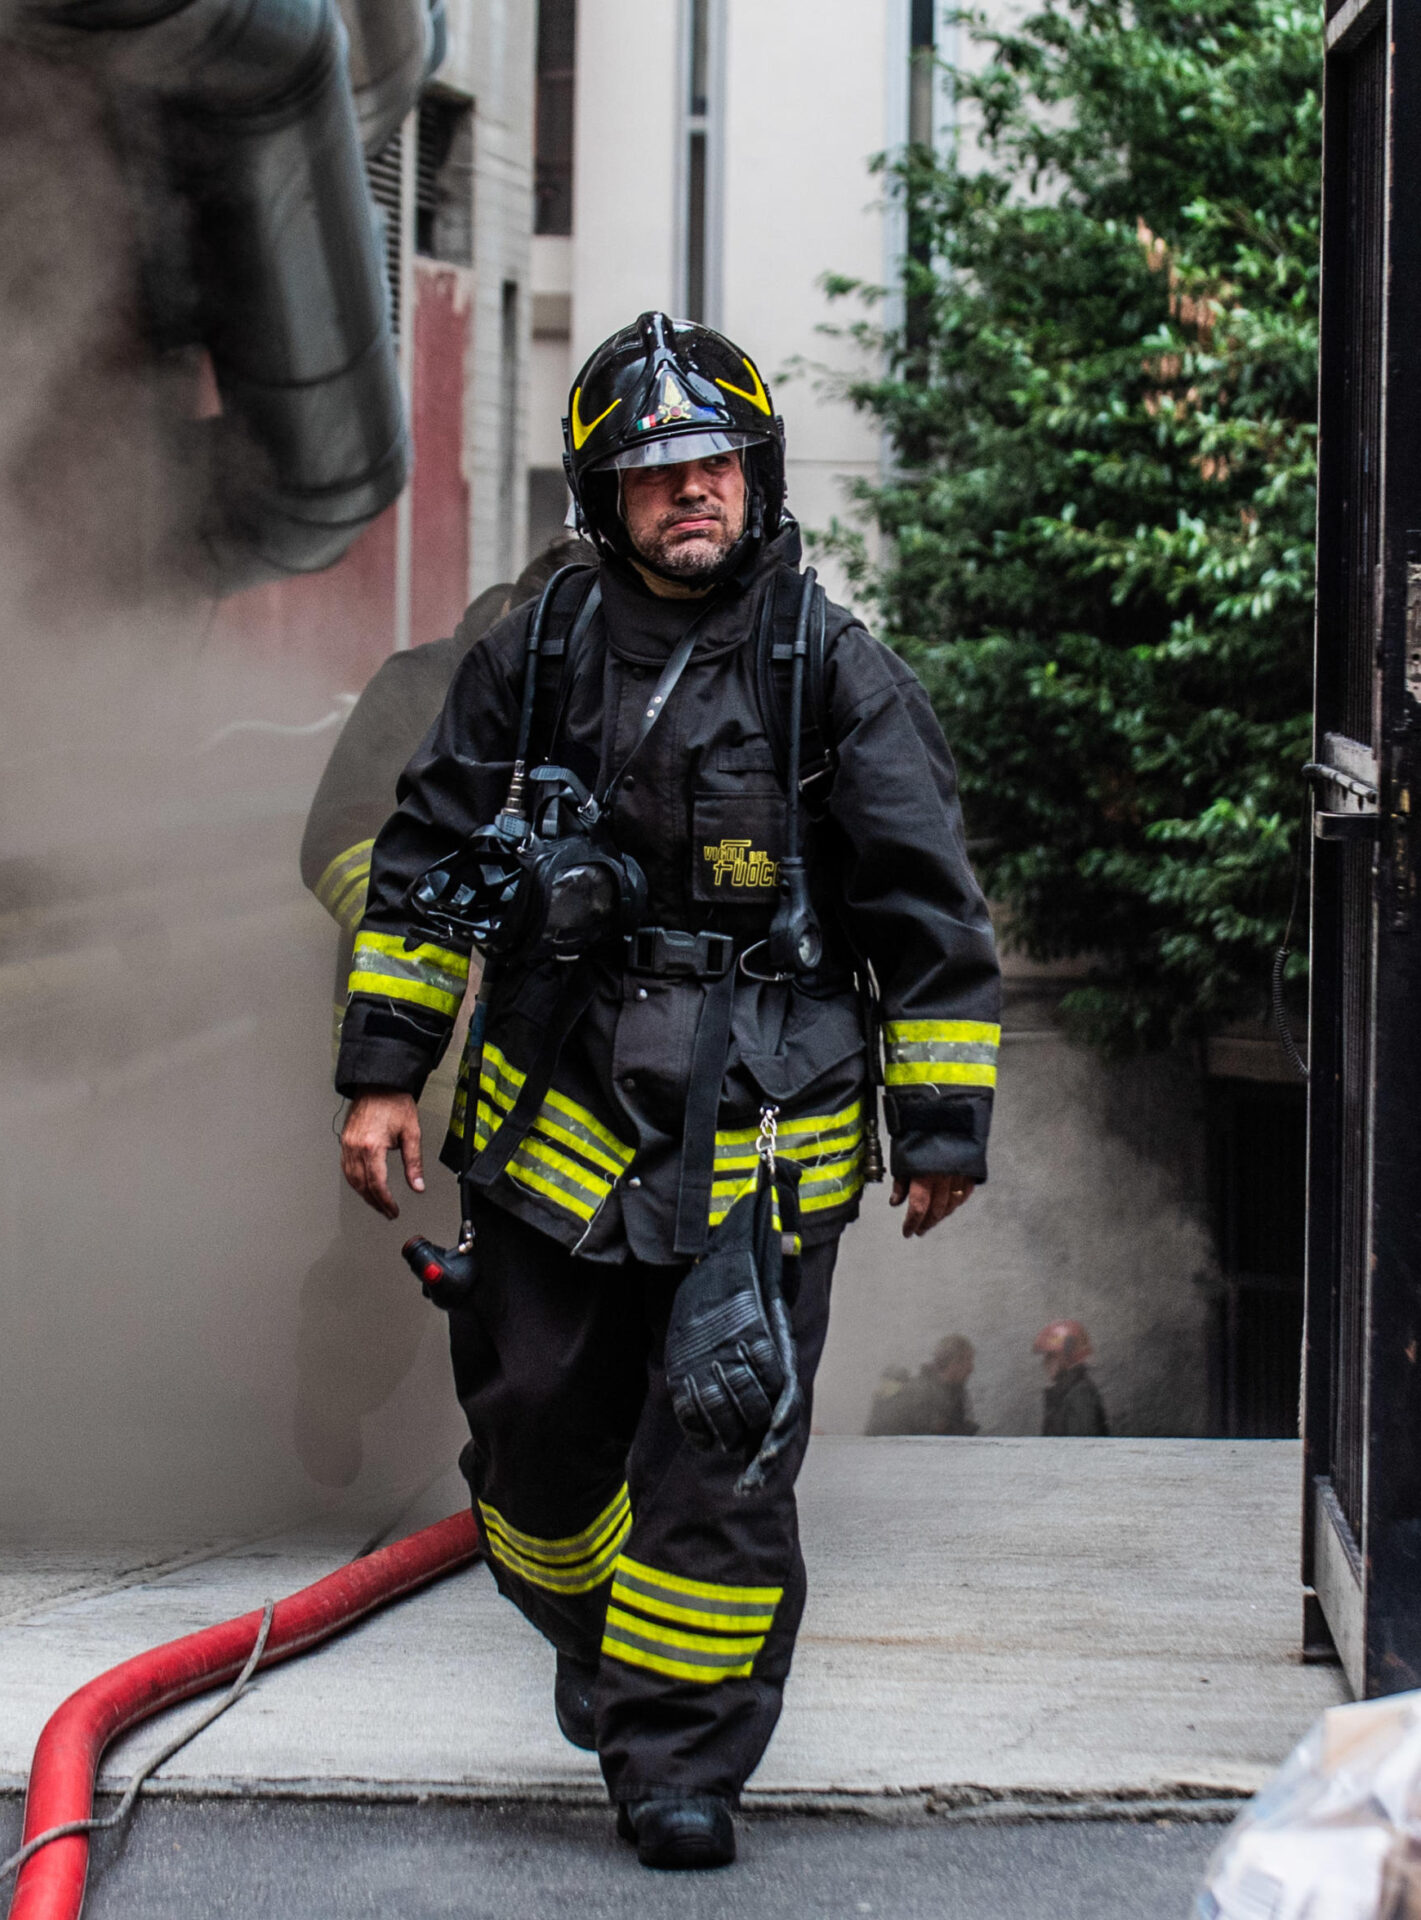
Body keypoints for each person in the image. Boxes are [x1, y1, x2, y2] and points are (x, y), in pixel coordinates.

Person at [329, 312, 1001, 1870]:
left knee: (721, 1449)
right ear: (601, 497)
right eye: (653, 474)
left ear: (754, 481)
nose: (688, 492)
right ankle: (594, 1636)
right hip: (554, 1116)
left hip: (764, 1134)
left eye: (712, 466)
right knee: (538, 1443)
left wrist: (942, 1124)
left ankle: (679, 1764)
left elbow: (929, 912)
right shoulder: (537, 649)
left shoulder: (832, 669)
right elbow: (426, 867)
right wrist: (382, 1078)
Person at [291, 537, 589, 1486]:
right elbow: (336, 839)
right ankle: (336, 1389)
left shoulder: (616, 687)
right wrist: (441, 938)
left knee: (544, 1259)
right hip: (419, 1042)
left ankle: (525, 1468)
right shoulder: (422, 685)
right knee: (382, 1265)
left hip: (553, 1040)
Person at [864, 1334, 980, 1436]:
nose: (971, 1368)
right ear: (954, 1362)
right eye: (968, 1361)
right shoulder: (921, 1393)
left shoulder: (954, 1392)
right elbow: (928, 1439)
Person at [1035, 1319, 1110, 1436]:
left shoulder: (1081, 1395)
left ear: (1067, 1357)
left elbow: (1081, 1447)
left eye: (1050, 1356)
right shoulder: (1065, 1392)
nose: (1045, 1363)